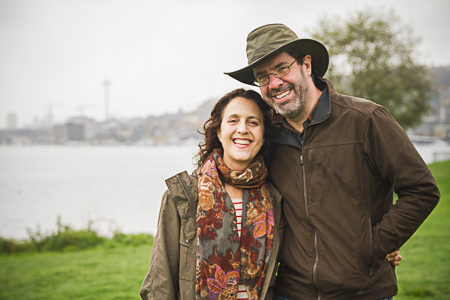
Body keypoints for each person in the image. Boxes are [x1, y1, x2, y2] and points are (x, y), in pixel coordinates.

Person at [225, 24, 440, 299]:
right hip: (290, 292)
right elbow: (231, 168)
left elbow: (421, 190)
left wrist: (373, 247)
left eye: (281, 68)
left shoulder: (365, 119)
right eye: (262, 77)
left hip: (363, 292)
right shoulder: (266, 136)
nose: (274, 83)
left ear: (306, 64)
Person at [140, 88, 285, 299]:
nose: (243, 129)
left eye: (253, 122)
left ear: (263, 136)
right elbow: (160, 281)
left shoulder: (275, 198)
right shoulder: (183, 195)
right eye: (233, 121)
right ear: (219, 132)